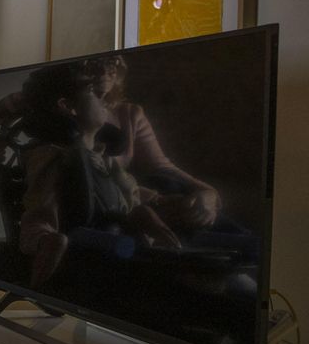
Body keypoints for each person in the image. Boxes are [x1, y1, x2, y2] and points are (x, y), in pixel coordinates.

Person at [18, 60, 180, 287]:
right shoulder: (53, 157)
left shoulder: (104, 159)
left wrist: (155, 203)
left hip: (119, 232)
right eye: (93, 93)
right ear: (67, 106)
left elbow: (127, 193)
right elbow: (41, 209)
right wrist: (44, 240)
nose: (104, 100)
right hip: (87, 245)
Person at [93, 55, 222, 232]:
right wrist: (157, 199)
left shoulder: (129, 113)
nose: (107, 70)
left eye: (112, 62)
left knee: (171, 184)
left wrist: (208, 193)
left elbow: (162, 167)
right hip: (115, 210)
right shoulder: (72, 117)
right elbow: (92, 184)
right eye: (96, 63)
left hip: (148, 202)